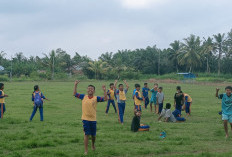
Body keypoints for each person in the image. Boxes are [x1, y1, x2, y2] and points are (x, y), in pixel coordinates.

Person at [73, 80, 107, 155]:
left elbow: (105, 99)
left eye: (92, 89)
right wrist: (75, 85)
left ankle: (93, 144)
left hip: (93, 119)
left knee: (93, 135)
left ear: (94, 91)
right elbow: (75, 94)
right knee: (86, 134)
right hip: (85, 119)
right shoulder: (83, 97)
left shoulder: (96, 98)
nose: (90, 90)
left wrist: (104, 90)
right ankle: (86, 150)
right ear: (87, 90)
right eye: (89, 88)